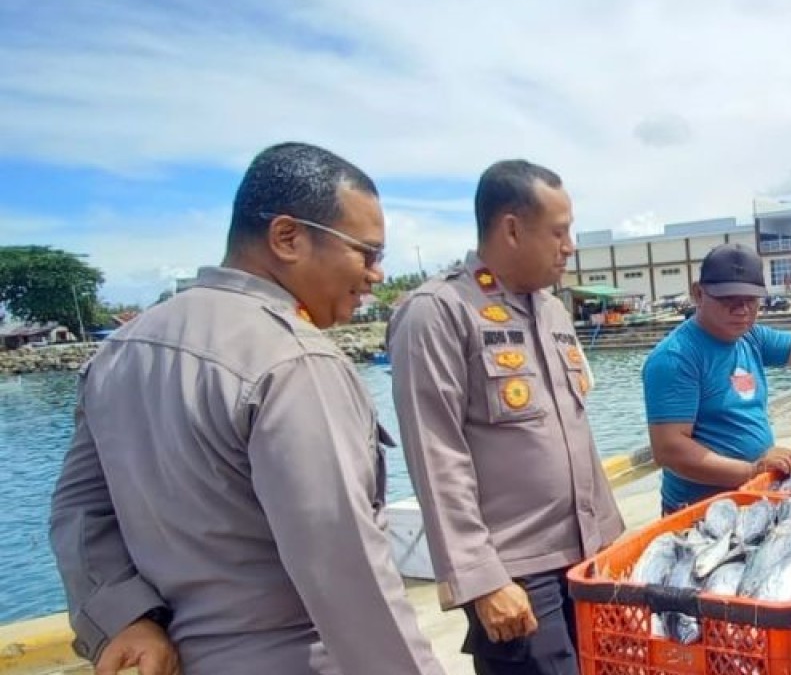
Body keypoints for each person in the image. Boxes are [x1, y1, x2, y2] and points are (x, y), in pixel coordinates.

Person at [47, 143, 446, 674]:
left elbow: (78, 514)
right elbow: (345, 570)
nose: (376, 274)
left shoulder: (122, 350)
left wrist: (124, 617)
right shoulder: (294, 360)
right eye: (366, 253)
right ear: (287, 238)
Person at [388, 159, 624, 675]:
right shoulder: (439, 311)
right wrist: (482, 579)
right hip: (517, 574)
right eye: (558, 232)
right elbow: (436, 455)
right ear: (512, 229)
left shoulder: (553, 310)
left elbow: (574, 432)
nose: (570, 246)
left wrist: (612, 547)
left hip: (589, 556)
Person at [641, 243, 791, 515]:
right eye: (728, 299)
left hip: (754, 495)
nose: (741, 309)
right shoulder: (676, 357)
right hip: (701, 510)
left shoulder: (750, 337)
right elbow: (670, 450)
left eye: (751, 299)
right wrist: (752, 470)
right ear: (698, 293)